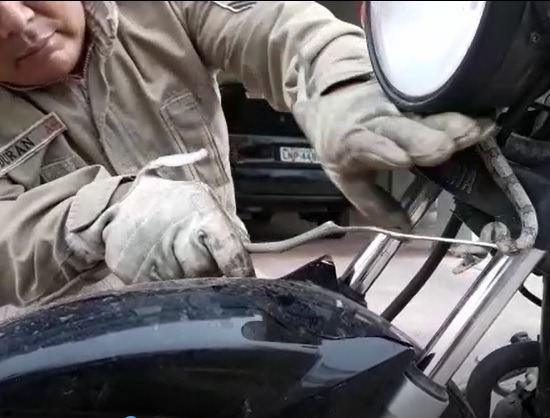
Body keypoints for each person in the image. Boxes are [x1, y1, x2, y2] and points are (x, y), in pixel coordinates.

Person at [0, 1, 492, 309]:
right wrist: (99, 219)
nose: (16, 21)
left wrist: (342, 85)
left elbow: (279, 27)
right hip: (60, 355)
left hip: (218, 311)